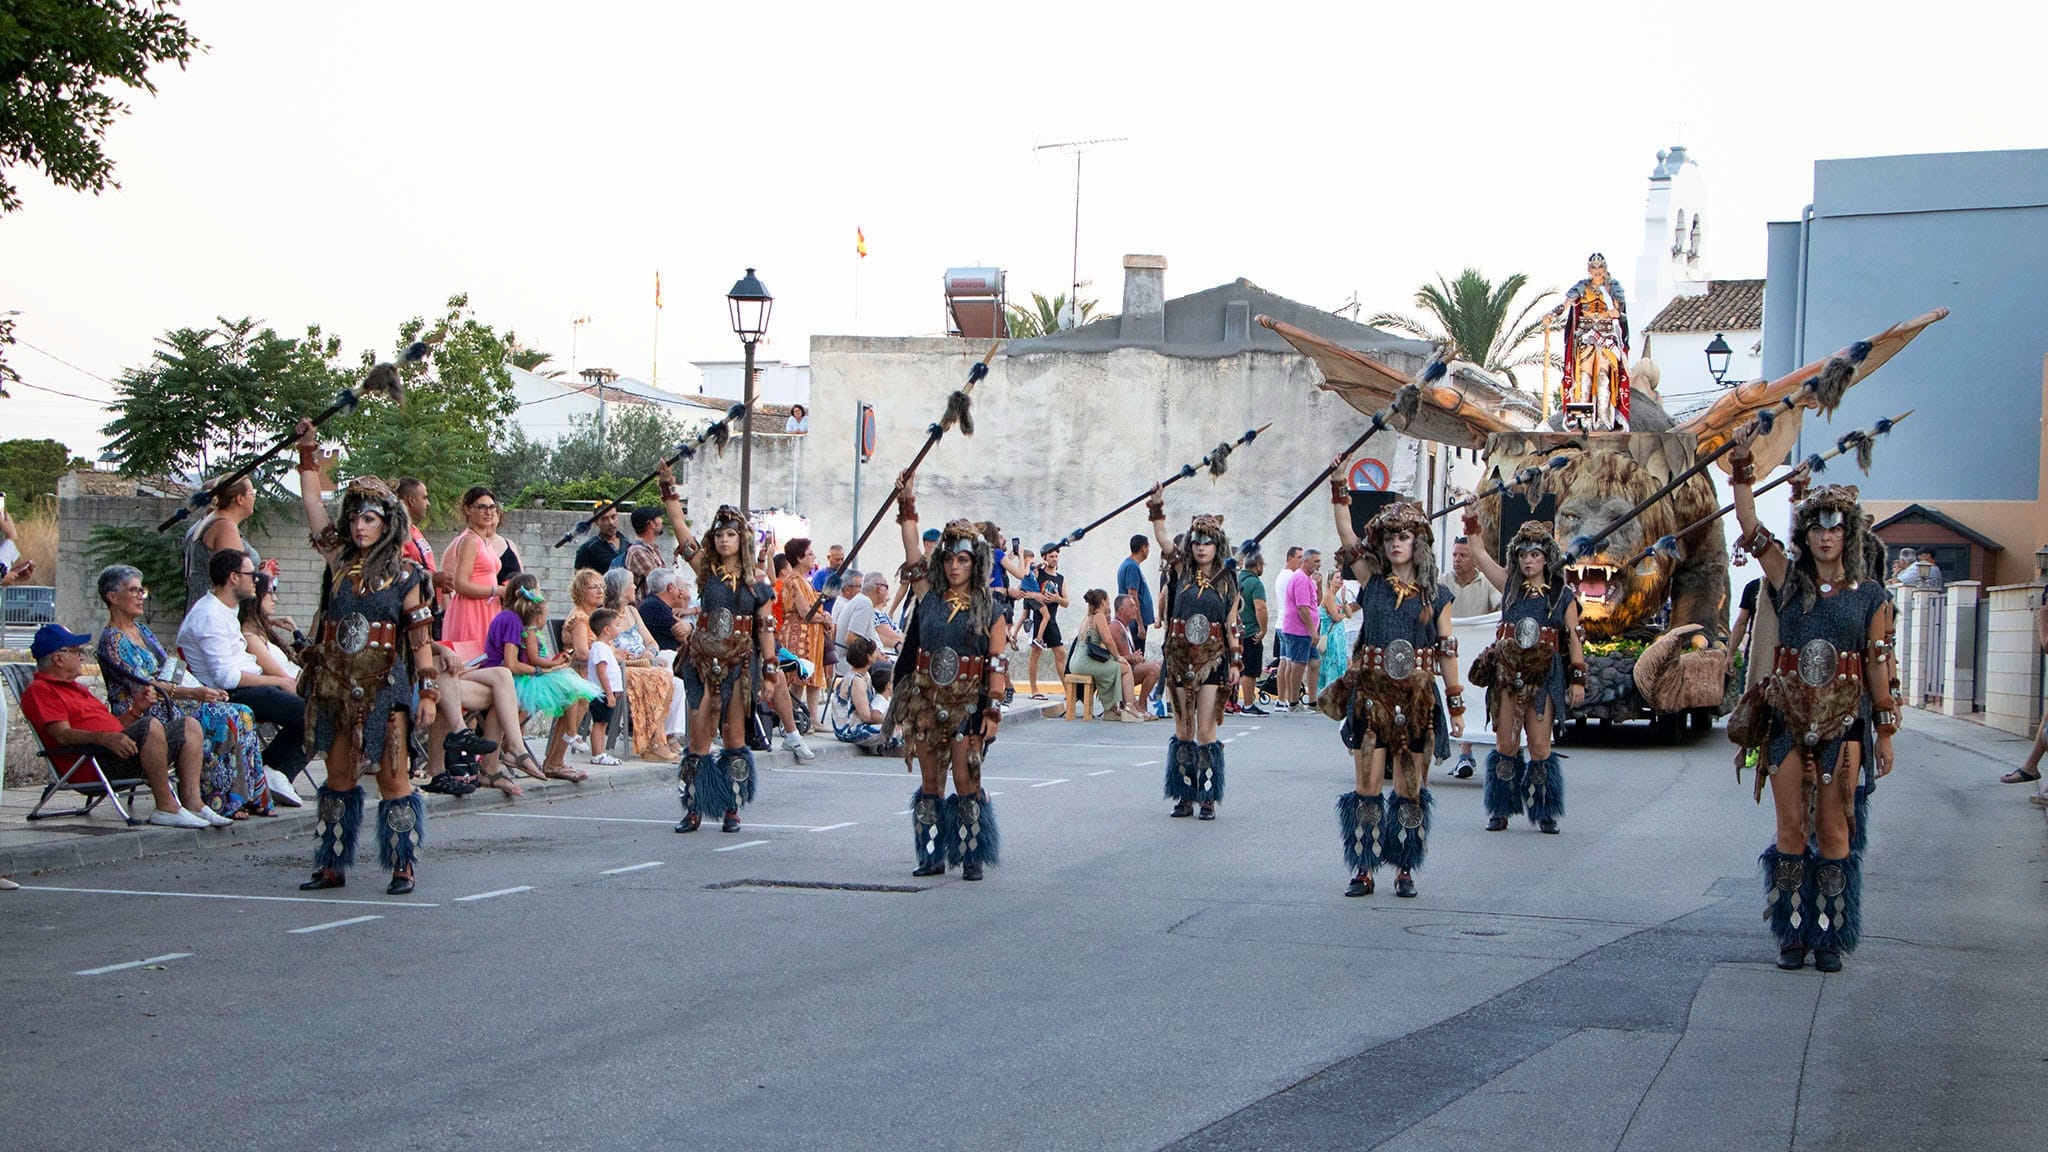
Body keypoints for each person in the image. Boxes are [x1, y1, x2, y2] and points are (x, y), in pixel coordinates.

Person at [1728, 435, 1897, 973]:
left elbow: (1877, 665)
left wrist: (1886, 730)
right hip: (1786, 721)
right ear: (1806, 534)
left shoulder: (1871, 596)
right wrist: (1742, 474)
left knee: (1834, 829)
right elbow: (1751, 530)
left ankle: (1830, 934)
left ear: (1848, 535)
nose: (1825, 536)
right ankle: (1790, 933)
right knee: (1790, 830)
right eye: (1817, 527)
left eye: (1835, 528)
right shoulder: (1786, 582)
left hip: (1844, 726)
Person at [291, 424, 440, 896]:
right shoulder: (337, 563)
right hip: (335, 686)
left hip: (383, 687)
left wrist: (429, 694)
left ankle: (402, 865)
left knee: (394, 780)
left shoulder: (408, 574)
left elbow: (420, 643)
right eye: (354, 518)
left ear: (387, 523)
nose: (359, 527)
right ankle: (331, 863)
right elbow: (313, 508)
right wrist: (308, 454)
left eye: (369, 519)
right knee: (337, 778)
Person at [1325, 475, 1465, 900]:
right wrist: (1339, 487)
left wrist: (1456, 706)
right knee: (1367, 787)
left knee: (1410, 790)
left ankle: (1405, 868)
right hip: (1371, 699)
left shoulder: (1437, 596)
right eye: (1389, 538)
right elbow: (1347, 534)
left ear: (1417, 544)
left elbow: (1447, 648)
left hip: (1417, 702)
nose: (1395, 544)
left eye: (1403, 537)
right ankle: (1364, 868)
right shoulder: (1371, 583)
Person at [884, 472, 1011, 880]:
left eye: (963, 560)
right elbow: (910, 548)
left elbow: (996, 662)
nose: (955, 566)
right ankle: (932, 854)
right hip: (926, 704)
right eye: (950, 559)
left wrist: (992, 711)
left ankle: (971, 853)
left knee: (965, 778)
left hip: (967, 706)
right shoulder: (928, 597)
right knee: (930, 783)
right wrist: (907, 501)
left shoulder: (990, 609)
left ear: (975, 564)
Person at [651, 462, 785, 833]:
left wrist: (770, 672)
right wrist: (669, 491)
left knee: (735, 736)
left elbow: (766, 629)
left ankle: (732, 807)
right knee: (699, 733)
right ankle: (693, 807)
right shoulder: (705, 571)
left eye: (731, 535)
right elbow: (681, 531)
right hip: (703, 659)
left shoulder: (758, 583)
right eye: (720, 534)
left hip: (741, 663)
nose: (724, 540)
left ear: (742, 540)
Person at [96, 564, 271, 820]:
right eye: (133, 591)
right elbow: (146, 685)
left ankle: (249, 798)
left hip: (172, 698)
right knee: (225, 717)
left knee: (242, 711)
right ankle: (219, 801)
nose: (140, 596)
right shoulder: (113, 641)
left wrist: (203, 689)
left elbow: (169, 667)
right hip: (148, 709)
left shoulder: (141, 631)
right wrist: (194, 694)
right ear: (112, 597)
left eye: (141, 590)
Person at [19, 625, 217, 828]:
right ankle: (166, 808)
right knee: (150, 725)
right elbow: (62, 735)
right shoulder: (41, 691)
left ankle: (193, 803)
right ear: (58, 658)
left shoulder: (77, 689)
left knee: (189, 726)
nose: (82, 656)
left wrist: (136, 710)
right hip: (93, 762)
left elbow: (114, 728)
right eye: (77, 651)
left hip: (118, 751)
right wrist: (105, 738)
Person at [1461, 519, 1584, 834]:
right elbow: (1478, 550)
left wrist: (1577, 680)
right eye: (1522, 555)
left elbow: (1572, 638)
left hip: (1545, 676)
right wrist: (1472, 517)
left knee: (1540, 746)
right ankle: (1501, 809)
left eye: (1535, 555)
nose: (1528, 561)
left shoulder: (1562, 596)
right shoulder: (1509, 587)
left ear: (1547, 558)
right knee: (1506, 743)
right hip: (1507, 675)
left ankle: (1545, 810)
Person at [177, 549, 310, 793]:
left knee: (328, 706)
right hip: (230, 694)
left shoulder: (224, 609)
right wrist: (279, 681)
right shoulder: (209, 615)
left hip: (249, 685)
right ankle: (270, 772)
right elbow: (225, 677)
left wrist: (273, 622)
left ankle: (269, 772)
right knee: (313, 715)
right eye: (253, 575)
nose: (256, 580)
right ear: (234, 577)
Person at [1147, 487, 1243, 819]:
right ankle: (1184, 794)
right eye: (1197, 542)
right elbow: (1161, 538)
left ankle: (1207, 796)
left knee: (1205, 729)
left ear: (1218, 546)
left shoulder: (1228, 578)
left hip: (1213, 660)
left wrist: (1236, 661)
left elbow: (1232, 624)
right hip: (1178, 658)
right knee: (1182, 728)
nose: (1201, 547)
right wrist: (1158, 505)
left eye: (1208, 542)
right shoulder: (1180, 570)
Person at [488, 573, 597, 782]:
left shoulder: (517, 619)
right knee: (573, 692)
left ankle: (556, 758)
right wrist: (544, 671)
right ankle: (554, 761)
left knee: (580, 693)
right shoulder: (511, 620)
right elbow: (512, 664)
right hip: (508, 679)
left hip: (518, 675)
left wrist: (552, 665)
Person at [604, 568, 682, 760]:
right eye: (631, 583)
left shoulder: (632, 611)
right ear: (622, 589)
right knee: (660, 677)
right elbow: (610, 651)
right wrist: (640, 660)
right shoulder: (605, 615)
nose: (634, 587)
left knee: (676, 681)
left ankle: (666, 737)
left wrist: (649, 653)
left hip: (644, 663)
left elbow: (651, 642)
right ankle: (653, 742)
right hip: (624, 669)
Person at [1551, 252, 1631, 431]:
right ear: (1589, 269)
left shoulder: (1613, 287)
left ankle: (1603, 419)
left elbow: (1620, 310)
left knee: (1604, 378)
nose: (1597, 271)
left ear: (1605, 268)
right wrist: (1552, 314)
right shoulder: (1582, 287)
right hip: (1585, 336)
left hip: (1606, 337)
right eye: (1593, 267)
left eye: (1600, 267)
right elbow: (1565, 304)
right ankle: (1583, 419)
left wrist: (1614, 311)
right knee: (1583, 378)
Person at [1446, 537, 1501, 776]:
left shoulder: (1487, 583)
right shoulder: (1443, 582)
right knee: (1459, 702)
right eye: (1455, 555)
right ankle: (1464, 754)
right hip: (1451, 654)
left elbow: (1500, 607)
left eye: (1463, 555)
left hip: (1477, 656)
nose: (1457, 560)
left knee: (1481, 703)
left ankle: (1500, 754)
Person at [440, 487, 506, 662]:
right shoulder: (469, 540)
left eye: (492, 507)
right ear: (468, 510)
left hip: (488, 608)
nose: (489, 512)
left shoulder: (483, 539)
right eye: (482, 507)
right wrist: (496, 591)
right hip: (471, 611)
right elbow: (460, 585)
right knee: (472, 663)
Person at [182, 475, 264, 610]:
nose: (254, 498)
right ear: (240, 498)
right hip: (216, 613)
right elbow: (236, 580)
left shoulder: (215, 520)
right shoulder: (225, 527)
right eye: (252, 493)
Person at [1067, 590, 1140, 722]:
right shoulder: (1099, 616)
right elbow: (1108, 640)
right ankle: (1130, 707)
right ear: (1102, 602)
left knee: (1112, 667)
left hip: (1075, 662)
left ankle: (1111, 710)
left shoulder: (1088, 617)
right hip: (1085, 663)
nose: (1109, 604)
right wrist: (1118, 657)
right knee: (1124, 668)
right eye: (1108, 601)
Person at [778, 538, 831, 717]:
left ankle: (813, 719)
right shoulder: (793, 580)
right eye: (810, 554)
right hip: (798, 633)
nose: (813, 557)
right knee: (799, 677)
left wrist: (824, 618)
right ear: (799, 558)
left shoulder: (806, 580)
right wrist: (824, 619)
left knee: (813, 677)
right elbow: (804, 612)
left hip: (813, 635)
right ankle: (793, 717)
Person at [826, 634, 898, 753]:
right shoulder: (856, 680)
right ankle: (885, 746)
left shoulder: (865, 675)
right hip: (849, 729)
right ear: (869, 657)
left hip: (860, 725)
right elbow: (866, 716)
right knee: (894, 731)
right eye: (875, 652)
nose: (878, 654)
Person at [1276, 548, 1322, 712]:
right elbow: (1303, 608)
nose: (1319, 564)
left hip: (1306, 631)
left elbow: (1315, 604)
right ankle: (1293, 701)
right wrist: (1313, 631)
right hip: (1299, 630)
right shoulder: (1300, 579)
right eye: (1316, 561)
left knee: (1315, 663)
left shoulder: (1308, 579)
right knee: (1298, 664)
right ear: (1307, 561)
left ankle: (1312, 700)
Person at [239, 573, 303, 684]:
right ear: (255, 595)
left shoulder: (260, 630)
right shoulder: (251, 639)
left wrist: (272, 621)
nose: (275, 599)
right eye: (269, 593)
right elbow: (285, 680)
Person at [584, 608, 626, 767]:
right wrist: (609, 694)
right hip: (601, 693)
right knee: (599, 724)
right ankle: (597, 754)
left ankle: (600, 752)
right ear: (606, 630)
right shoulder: (600, 648)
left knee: (603, 724)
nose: (619, 628)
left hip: (606, 693)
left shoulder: (604, 647)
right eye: (617, 625)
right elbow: (602, 672)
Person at [1025, 549, 1069, 699]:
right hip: (1038, 616)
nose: (1054, 559)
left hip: (1052, 620)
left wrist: (1057, 599)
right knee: (1035, 653)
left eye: (1056, 556)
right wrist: (1038, 564)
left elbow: (1066, 603)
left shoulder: (1061, 579)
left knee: (1061, 653)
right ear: (1045, 557)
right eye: (1051, 556)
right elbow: (1027, 574)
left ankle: (1068, 691)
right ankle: (1034, 690)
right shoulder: (1039, 573)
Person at [1110, 594, 1162, 709]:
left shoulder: (1126, 627)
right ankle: (1140, 705)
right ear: (1121, 610)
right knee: (1154, 669)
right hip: (1120, 671)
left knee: (1160, 666)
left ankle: (1142, 704)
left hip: (1128, 668)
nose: (1136, 609)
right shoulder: (1116, 627)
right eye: (1132, 606)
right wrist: (1133, 657)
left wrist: (1137, 657)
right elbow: (1120, 657)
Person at [1236, 552, 1270, 716]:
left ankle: (1231, 702)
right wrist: (1263, 630)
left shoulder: (1237, 579)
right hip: (1250, 631)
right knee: (1250, 670)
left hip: (1236, 631)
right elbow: (1260, 608)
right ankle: (1248, 705)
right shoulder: (1255, 584)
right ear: (1258, 566)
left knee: (1237, 667)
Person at [1316, 569, 1355, 698]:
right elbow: (1336, 617)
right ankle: (1330, 694)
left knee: (1340, 663)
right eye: (1337, 577)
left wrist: (1344, 601)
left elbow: (1349, 614)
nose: (1341, 580)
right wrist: (1342, 614)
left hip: (1339, 635)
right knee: (1332, 663)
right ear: (1330, 580)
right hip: (1331, 635)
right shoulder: (1328, 596)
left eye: (1341, 578)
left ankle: (1337, 694)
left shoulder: (1337, 597)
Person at [1117, 535, 1155, 659]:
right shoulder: (1132, 567)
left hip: (1137, 621)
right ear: (1143, 548)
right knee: (1137, 657)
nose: (1149, 551)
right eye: (1148, 547)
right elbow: (1132, 596)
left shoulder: (1132, 566)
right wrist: (1139, 624)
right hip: (1135, 623)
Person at [396, 477, 437, 580]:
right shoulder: (397, 534)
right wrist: (433, 579)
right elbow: (397, 574)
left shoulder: (413, 530)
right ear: (411, 500)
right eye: (424, 498)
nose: (428, 503)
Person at [574, 506, 624, 575]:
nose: (611, 523)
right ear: (596, 522)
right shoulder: (588, 549)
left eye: (613, 517)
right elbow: (579, 581)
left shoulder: (626, 543)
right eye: (604, 519)